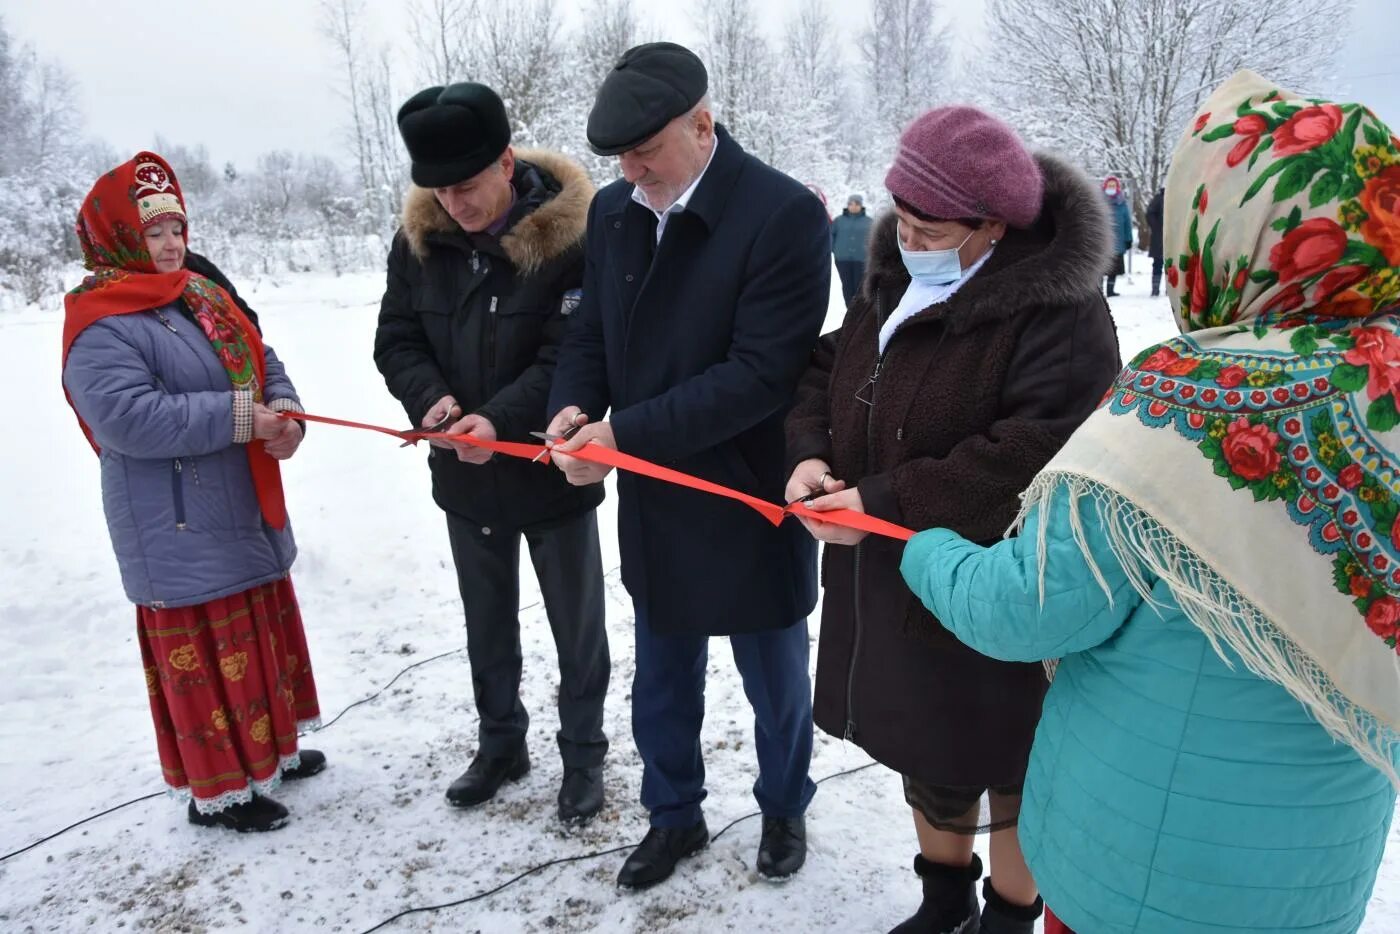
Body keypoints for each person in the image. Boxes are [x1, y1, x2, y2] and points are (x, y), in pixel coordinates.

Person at [900, 70, 1400, 933]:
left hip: (1136, 874)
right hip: (1310, 880)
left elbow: (1029, 610)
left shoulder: (1183, 403)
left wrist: (924, 549)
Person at [785, 106, 1120, 934]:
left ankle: (1009, 916)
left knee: (1009, 765)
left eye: (930, 228)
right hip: (889, 583)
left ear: (993, 228)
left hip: (996, 596)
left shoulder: (1061, 314)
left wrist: (886, 501)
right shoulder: (893, 286)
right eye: (903, 221)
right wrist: (810, 454)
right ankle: (943, 904)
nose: (909, 240)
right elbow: (822, 370)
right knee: (924, 755)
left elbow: (1035, 450)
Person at [544, 42, 831, 888]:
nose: (633, 173)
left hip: (748, 490)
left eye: (646, 151)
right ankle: (674, 815)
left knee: (776, 681)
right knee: (663, 680)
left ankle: (784, 806)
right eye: (619, 159)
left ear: (703, 124)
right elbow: (590, 332)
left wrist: (621, 437)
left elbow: (759, 375)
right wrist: (571, 407)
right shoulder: (613, 212)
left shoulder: (781, 214)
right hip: (659, 500)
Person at [62, 152, 323, 833]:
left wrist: (284, 410)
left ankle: (275, 753)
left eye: (176, 227)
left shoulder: (199, 293)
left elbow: (260, 355)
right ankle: (222, 794)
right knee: (209, 657)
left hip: (238, 504)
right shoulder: (100, 322)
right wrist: (242, 419)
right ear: (118, 237)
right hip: (176, 526)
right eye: (154, 233)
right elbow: (129, 419)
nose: (173, 243)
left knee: (258, 633)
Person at [373, 83, 610, 823]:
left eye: (467, 186)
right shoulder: (421, 243)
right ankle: (501, 741)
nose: (455, 204)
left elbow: (571, 354)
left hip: (549, 471)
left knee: (577, 626)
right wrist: (435, 406)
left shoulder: (572, 239)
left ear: (507, 163)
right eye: (439, 190)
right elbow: (397, 339)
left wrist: (494, 423)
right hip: (463, 478)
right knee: (486, 618)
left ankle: (583, 754)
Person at [831, 193, 874, 304]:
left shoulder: (869, 222)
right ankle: (849, 308)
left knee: (859, 286)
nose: (853, 206)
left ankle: (858, 310)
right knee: (847, 285)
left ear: (861, 206)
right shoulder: (838, 221)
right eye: (851, 203)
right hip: (842, 259)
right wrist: (834, 249)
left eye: (856, 204)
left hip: (862, 259)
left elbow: (875, 239)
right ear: (848, 205)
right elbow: (830, 235)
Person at [1102, 174, 1133, 296]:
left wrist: (1128, 238)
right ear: (1105, 186)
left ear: (1117, 187)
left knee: (1113, 268)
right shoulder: (1099, 201)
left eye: (1113, 185)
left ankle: (1110, 290)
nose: (1111, 187)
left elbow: (1127, 223)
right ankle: (1099, 291)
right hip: (1102, 241)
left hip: (1118, 241)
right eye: (1109, 185)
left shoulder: (1122, 203)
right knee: (1099, 268)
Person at [1146, 186, 1165, 297]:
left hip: (1174, 238)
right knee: (1158, 263)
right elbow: (1150, 213)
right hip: (1159, 237)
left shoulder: (1179, 196)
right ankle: (1155, 289)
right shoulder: (1159, 198)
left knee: (1173, 266)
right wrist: (1157, 227)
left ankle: (1171, 289)